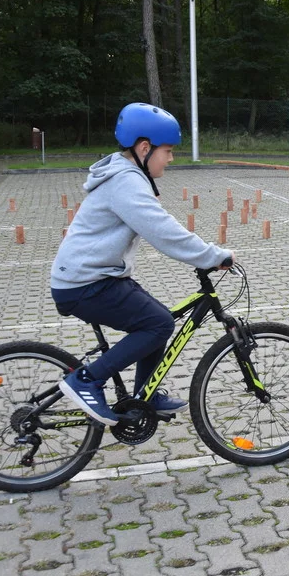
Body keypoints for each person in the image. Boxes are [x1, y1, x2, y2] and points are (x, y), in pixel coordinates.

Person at [50, 103, 234, 426]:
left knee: (158, 318)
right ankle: (87, 380)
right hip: (84, 284)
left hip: (96, 277)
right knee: (158, 325)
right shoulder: (126, 182)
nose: (172, 158)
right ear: (145, 148)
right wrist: (213, 256)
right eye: (168, 151)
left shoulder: (127, 176)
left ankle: (144, 396)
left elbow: (160, 226)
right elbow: (163, 232)